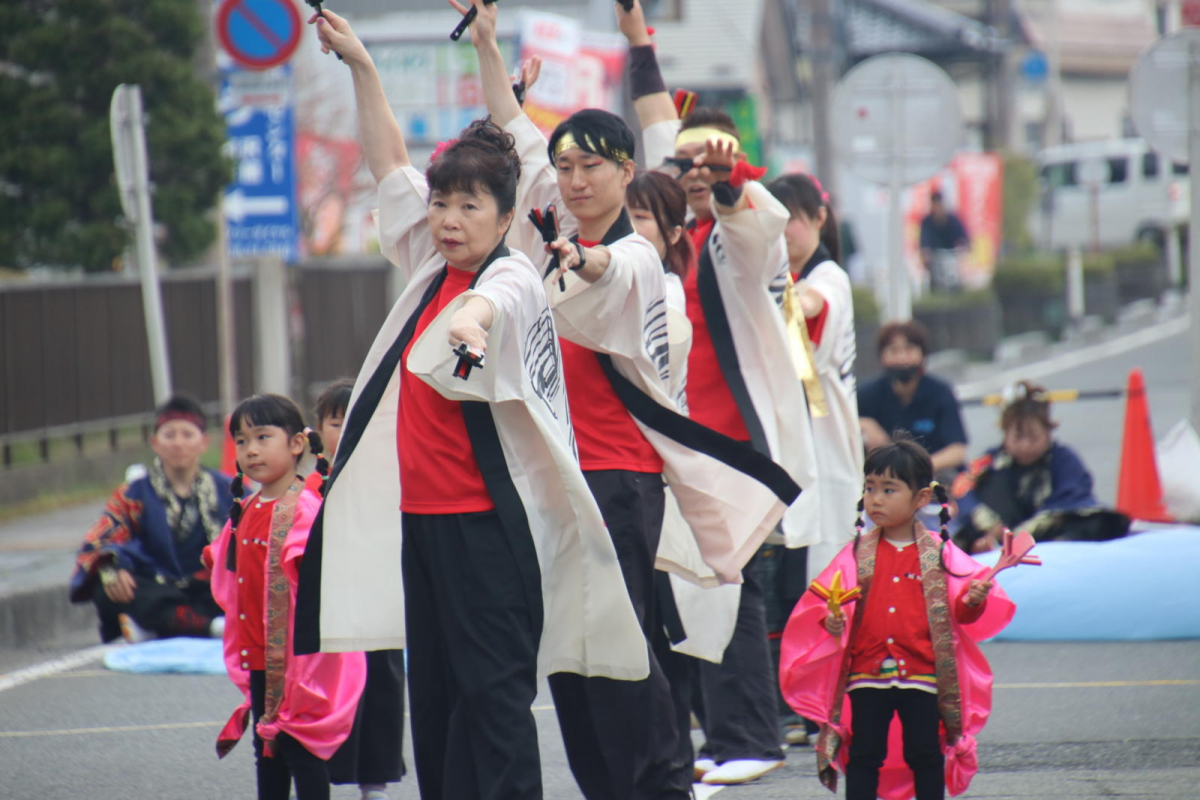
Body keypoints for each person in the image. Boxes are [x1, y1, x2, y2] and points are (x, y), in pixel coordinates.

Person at [296, 12, 652, 800]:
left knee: (493, 702)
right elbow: (388, 161)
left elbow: (496, 302)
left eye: (468, 207)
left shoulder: (513, 274)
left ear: (505, 217)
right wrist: (361, 66)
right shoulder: (430, 259)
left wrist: (469, 321)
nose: (450, 220)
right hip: (423, 524)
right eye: (442, 205)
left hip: (489, 527)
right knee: (437, 708)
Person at [465, 3, 801, 795]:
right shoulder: (548, 226)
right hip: (555, 475)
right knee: (569, 653)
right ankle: (608, 785)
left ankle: (661, 783)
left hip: (620, 478)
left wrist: (580, 262)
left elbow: (608, 271)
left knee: (623, 646)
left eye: (592, 166)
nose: (575, 179)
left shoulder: (639, 259)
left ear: (626, 172)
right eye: (566, 167)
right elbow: (515, 128)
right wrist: (485, 40)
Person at [616, 1, 821, 785]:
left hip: (732, 448)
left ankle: (749, 737)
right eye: (686, 166)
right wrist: (639, 40)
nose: (693, 175)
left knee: (730, 590)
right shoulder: (659, 244)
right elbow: (654, 122)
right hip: (670, 445)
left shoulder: (739, 238)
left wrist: (728, 182)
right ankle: (713, 736)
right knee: (680, 592)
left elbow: (749, 216)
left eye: (710, 167)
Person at [779, 438, 1015, 800]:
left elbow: (960, 614)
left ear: (921, 498)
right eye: (870, 488)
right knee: (863, 754)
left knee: (925, 753)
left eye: (888, 490)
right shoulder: (855, 554)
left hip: (922, 675)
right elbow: (826, 604)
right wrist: (833, 622)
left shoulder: (940, 553)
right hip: (865, 674)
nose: (875, 499)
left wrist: (973, 601)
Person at [207, 394, 366, 800]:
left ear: (296, 444)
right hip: (260, 651)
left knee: (299, 746)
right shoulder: (247, 507)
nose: (251, 450)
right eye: (241, 441)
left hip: (299, 660)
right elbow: (227, 560)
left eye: (263, 437)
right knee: (268, 748)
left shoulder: (305, 508)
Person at [766, 172, 865, 745]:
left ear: (820, 219)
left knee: (824, 582)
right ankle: (799, 704)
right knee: (792, 581)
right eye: (776, 223)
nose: (786, 233)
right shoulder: (794, 278)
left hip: (825, 455)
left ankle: (820, 705)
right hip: (798, 453)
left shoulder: (828, 279)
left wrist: (778, 296)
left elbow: (811, 305)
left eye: (794, 220)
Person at [308, 379, 407, 800]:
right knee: (324, 691)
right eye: (336, 422)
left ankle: (375, 780)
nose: (348, 428)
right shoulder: (309, 488)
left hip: (378, 598)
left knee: (382, 686)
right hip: (331, 602)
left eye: (359, 418)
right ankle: (317, 777)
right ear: (315, 433)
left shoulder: (393, 478)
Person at [70, 395, 232, 644]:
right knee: (108, 587)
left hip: (208, 589)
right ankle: (210, 627)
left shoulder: (228, 490)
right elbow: (99, 542)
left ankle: (161, 627)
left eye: (187, 435)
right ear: (155, 442)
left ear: (204, 442)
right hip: (156, 588)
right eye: (170, 435)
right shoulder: (134, 493)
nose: (178, 443)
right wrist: (111, 568)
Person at [952, 382, 1131, 553]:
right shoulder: (990, 460)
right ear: (1005, 434)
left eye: (1033, 438)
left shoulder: (1063, 458)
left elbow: (1073, 497)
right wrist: (983, 518)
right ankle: (986, 548)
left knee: (1099, 522)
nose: (1025, 445)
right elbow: (962, 487)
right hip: (1001, 534)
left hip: (1047, 534)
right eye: (1018, 437)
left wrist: (1032, 528)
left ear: (1048, 432)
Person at [858, 320, 968, 482]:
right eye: (893, 350)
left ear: (923, 354)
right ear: (881, 356)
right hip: (885, 482)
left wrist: (916, 469)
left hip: (935, 478)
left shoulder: (941, 392)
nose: (902, 358)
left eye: (909, 349)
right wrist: (864, 424)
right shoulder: (867, 394)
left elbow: (957, 450)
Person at [919, 190, 969, 292]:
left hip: (952, 256)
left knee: (956, 277)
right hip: (935, 258)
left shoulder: (952, 219)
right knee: (934, 280)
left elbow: (963, 237)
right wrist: (925, 254)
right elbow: (924, 241)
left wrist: (962, 249)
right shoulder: (927, 222)